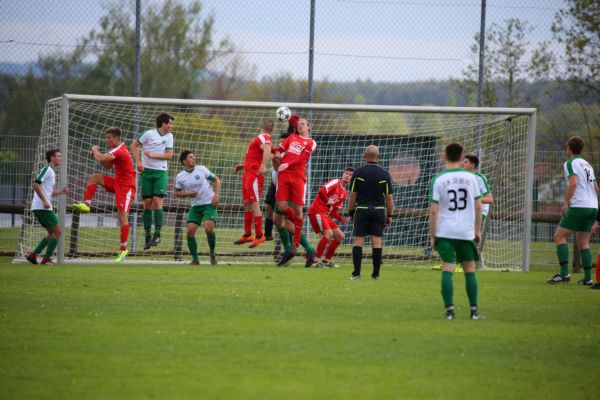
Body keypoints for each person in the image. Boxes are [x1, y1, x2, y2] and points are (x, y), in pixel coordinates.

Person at [429, 142, 483, 320]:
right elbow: (477, 206)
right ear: (461, 158)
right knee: (469, 270)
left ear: (444, 156)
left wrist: (432, 235)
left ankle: (450, 311)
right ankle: (474, 311)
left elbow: (434, 210)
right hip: (465, 231)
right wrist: (477, 231)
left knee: (447, 268)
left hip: (445, 230)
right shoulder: (472, 178)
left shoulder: (438, 179)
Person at [73, 127, 137, 263]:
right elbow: (107, 165)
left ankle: (123, 249)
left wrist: (95, 150)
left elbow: (101, 157)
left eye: (109, 138)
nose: (106, 140)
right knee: (94, 178)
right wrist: (97, 155)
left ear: (117, 138)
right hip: (117, 182)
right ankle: (86, 204)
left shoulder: (120, 150)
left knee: (122, 214)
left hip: (127, 187)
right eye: (106, 137)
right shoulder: (116, 150)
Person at [548, 136, 598, 285]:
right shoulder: (588, 165)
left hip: (579, 206)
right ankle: (588, 279)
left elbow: (573, 183)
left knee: (559, 236)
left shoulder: (570, 163)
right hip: (593, 206)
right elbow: (596, 188)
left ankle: (564, 274)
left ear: (569, 149)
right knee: (583, 242)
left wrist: (565, 203)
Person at [272, 117, 317, 266]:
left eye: (303, 124)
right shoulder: (291, 137)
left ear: (309, 127)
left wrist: (287, 164)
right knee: (280, 213)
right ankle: (295, 250)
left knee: (292, 214)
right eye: (298, 125)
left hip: (296, 177)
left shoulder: (311, 142)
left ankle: (296, 248)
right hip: (282, 178)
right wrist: (275, 152)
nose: (300, 126)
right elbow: (279, 150)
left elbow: (303, 157)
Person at [348, 145, 394, 280]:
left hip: (361, 210)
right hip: (379, 211)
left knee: (358, 241)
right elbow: (389, 197)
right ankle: (376, 275)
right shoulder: (384, 174)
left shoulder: (358, 172)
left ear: (364, 156)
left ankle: (356, 274)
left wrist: (351, 212)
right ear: (378, 157)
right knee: (377, 242)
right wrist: (390, 215)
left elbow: (352, 195)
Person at [131, 112, 174, 250]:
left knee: (157, 201)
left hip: (161, 172)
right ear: (163, 123)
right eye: (169, 123)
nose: (171, 126)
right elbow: (133, 146)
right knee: (147, 203)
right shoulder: (149, 134)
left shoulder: (169, 136)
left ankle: (157, 234)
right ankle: (147, 236)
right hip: (146, 172)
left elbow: (169, 155)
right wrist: (138, 162)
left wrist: (153, 154)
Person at [232, 119, 274, 248]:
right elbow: (259, 154)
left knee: (254, 204)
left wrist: (263, 165)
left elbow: (267, 149)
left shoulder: (264, 137)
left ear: (261, 126)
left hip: (254, 176)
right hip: (248, 173)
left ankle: (260, 236)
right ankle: (247, 234)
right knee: (247, 203)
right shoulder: (262, 138)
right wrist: (244, 165)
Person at [174, 151, 220, 265]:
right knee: (189, 231)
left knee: (209, 228)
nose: (194, 159)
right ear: (184, 161)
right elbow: (177, 193)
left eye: (194, 157)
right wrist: (188, 194)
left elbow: (216, 180)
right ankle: (195, 259)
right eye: (191, 157)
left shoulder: (202, 169)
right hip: (195, 207)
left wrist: (216, 195)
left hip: (209, 203)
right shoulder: (180, 176)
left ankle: (212, 254)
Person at [26, 149, 69, 265]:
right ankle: (46, 259)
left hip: (41, 207)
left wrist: (61, 191)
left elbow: (47, 191)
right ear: (52, 158)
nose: (61, 158)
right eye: (59, 156)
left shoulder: (51, 171)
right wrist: (45, 201)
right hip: (42, 207)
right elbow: (35, 184)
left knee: (51, 233)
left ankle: (33, 256)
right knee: (58, 232)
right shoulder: (47, 169)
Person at [308, 167, 354, 268]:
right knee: (328, 234)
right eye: (346, 173)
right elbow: (321, 191)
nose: (347, 176)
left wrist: (342, 219)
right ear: (343, 174)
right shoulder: (335, 182)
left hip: (324, 213)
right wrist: (327, 201)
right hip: (316, 210)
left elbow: (333, 211)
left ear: (352, 178)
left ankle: (326, 261)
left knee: (340, 236)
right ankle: (315, 262)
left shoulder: (344, 193)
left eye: (350, 175)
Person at [462, 154, 493, 270]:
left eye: (465, 162)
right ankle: (453, 262)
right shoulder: (462, 178)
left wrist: (474, 199)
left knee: (470, 236)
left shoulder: (480, 178)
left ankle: (469, 263)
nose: (462, 164)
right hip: (466, 211)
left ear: (472, 165)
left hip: (479, 211)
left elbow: (490, 199)